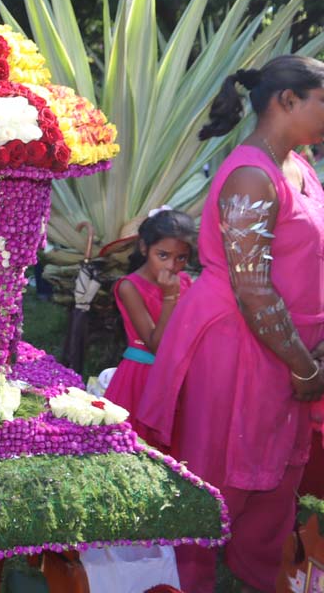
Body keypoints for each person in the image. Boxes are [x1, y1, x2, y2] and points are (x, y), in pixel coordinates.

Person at [136, 55, 324, 593]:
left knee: (276, 480)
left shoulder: (300, 164)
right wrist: (305, 366)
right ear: (287, 101)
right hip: (240, 346)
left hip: (288, 350)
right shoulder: (250, 173)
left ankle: (257, 576)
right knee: (216, 480)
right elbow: (253, 287)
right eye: (323, 99)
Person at [102, 208, 195, 443]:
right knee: (137, 446)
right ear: (144, 248)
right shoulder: (129, 287)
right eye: (162, 255)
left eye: (181, 258)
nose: (172, 266)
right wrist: (169, 298)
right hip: (142, 379)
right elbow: (157, 345)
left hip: (175, 377)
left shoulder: (185, 281)